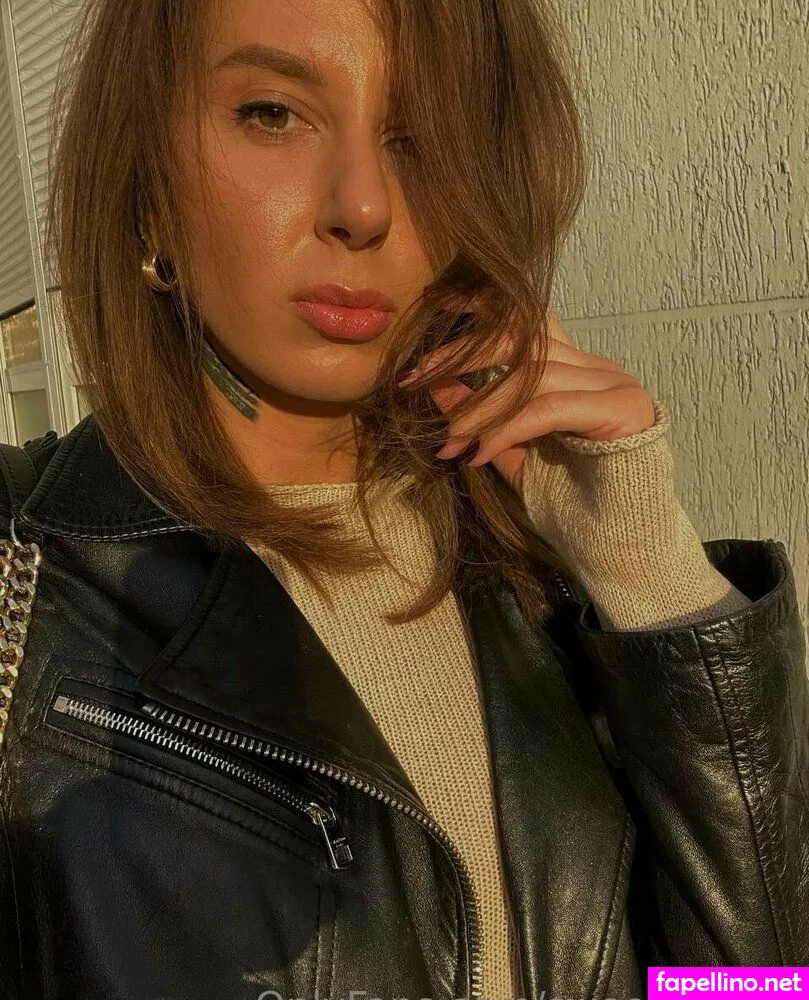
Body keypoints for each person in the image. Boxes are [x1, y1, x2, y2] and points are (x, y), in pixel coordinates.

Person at [1, 0, 807, 998]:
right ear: (149, 186)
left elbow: (758, 988)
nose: (364, 206)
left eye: (420, 136)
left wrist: (648, 574)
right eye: (272, 113)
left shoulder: (556, 583)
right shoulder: (31, 571)